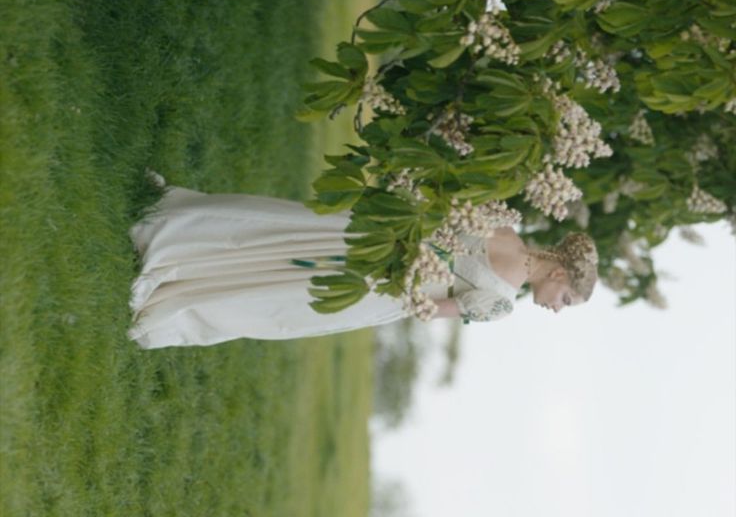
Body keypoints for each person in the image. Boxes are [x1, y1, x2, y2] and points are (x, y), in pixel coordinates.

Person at [127, 179, 599, 348]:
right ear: (559, 273)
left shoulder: (503, 223)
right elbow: (428, 311)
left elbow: (440, 206)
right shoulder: (499, 303)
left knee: (283, 234)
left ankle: (179, 236)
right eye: (566, 299)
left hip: (380, 234)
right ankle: (180, 283)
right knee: (285, 300)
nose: (556, 308)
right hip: (381, 285)